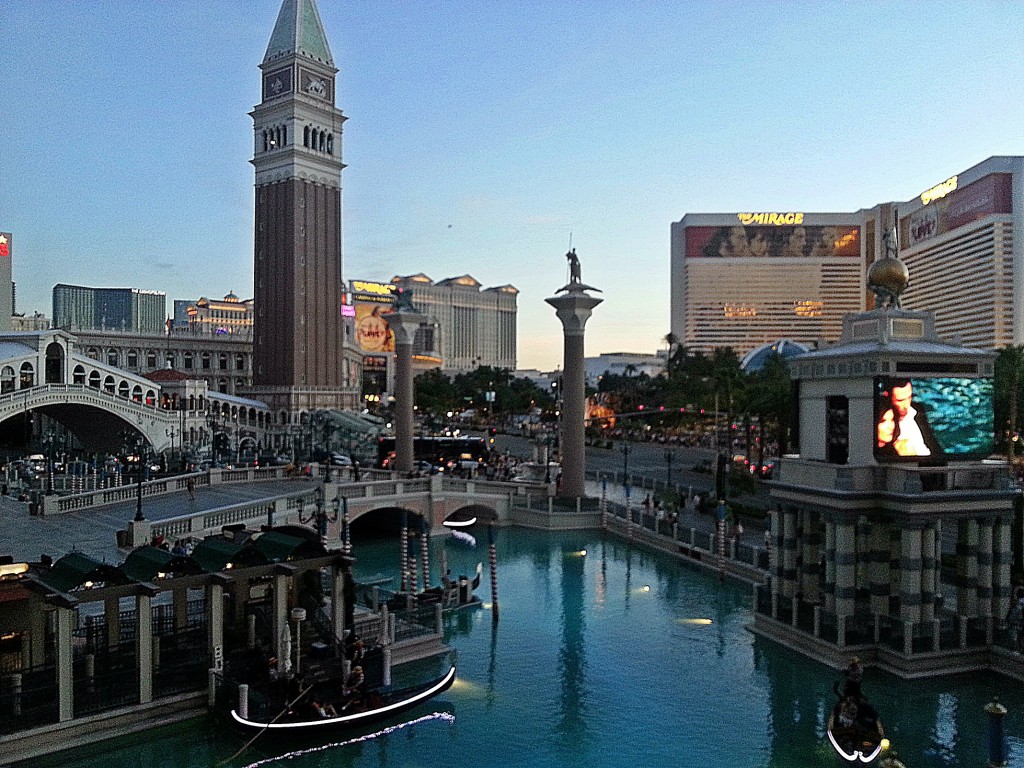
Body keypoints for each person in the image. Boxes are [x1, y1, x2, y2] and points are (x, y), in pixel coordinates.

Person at [881, 379, 943, 457]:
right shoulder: (884, 427)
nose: (907, 404)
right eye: (900, 400)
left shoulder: (917, 409)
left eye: (909, 397)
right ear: (886, 395)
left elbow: (933, 443)